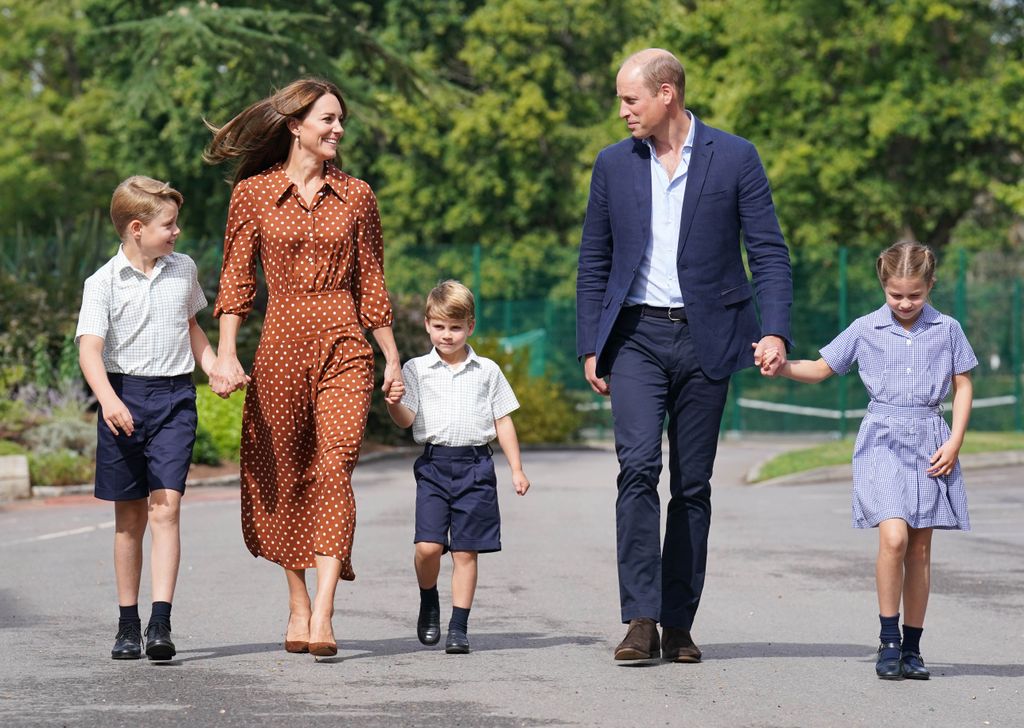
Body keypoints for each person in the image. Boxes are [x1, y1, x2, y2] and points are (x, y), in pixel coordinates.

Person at [576, 48, 793, 663]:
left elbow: (769, 253)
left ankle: (679, 623)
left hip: (709, 339)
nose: (622, 111)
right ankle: (641, 619)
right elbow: (593, 261)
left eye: (630, 99)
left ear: (666, 93)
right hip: (637, 338)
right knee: (638, 469)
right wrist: (592, 342)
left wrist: (774, 330)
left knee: (691, 485)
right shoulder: (613, 165)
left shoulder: (736, 157)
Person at [204, 78, 403, 658]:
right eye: (327, 119)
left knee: (334, 467)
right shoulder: (253, 196)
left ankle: (323, 613)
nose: (338, 129)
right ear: (295, 125)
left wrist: (391, 356)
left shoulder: (359, 195)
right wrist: (225, 353)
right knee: (284, 472)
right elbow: (236, 283)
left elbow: (372, 283)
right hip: (281, 344)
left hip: (345, 343)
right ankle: (296, 603)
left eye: (340, 120)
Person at [761, 240, 976, 680]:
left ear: (930, 285)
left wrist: (955, 441)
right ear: (884, 286)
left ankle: (913, 649)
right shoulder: (866, 328)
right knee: (893, 537)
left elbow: (963, 385)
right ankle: (889, 641)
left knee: (918, 549)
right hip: (881, 439)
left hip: (931, 441)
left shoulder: (948, 329)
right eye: (895, 294)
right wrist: (781, 365)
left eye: (914, 295)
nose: (904, 303)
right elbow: (821, 368)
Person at [76, 176, 215, 661]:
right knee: (129, 517)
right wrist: (109, 400)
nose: (176, 233)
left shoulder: (183, 269)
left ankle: (160, 622)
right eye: (168, 225)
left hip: (175, 398)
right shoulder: (103, 283)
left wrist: (214, 366)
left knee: (167, 507)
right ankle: (127, 623)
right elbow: (90, 351)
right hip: (123, 399)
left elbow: (192, 327)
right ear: (137, 228)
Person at [386, 280, 530, 654]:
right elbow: (406, 420)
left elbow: (503, 421)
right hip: (435, 466)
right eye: (439, 327)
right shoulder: (416, 370)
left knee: (466, 551)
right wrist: (392, 402)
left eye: (455, 327)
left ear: (470, 326)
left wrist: (516, 468)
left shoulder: (487, 371)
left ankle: (459, 627)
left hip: (476, 466)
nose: (446, 335)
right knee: (428, 547)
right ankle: (429, 598)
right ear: (427, 324)